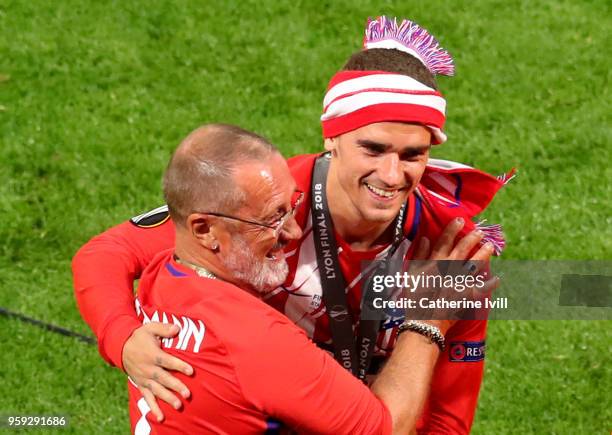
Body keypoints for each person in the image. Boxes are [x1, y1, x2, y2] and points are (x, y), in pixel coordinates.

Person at [73, 16, 512, 433]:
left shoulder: (450, 249)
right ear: (332, 137)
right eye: (373, 149)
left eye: (413, 154)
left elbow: (449, 412)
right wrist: (123, 336)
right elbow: (106, 254)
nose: (393, 176)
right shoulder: (269, 206)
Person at [127, 123, 495, 434]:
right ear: (205, 230)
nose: (291, 232)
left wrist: (117, 334)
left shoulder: (161, 274)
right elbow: (385, 429)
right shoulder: (256, 338)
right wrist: (427, 320)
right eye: (272, 218)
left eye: (292, 208)